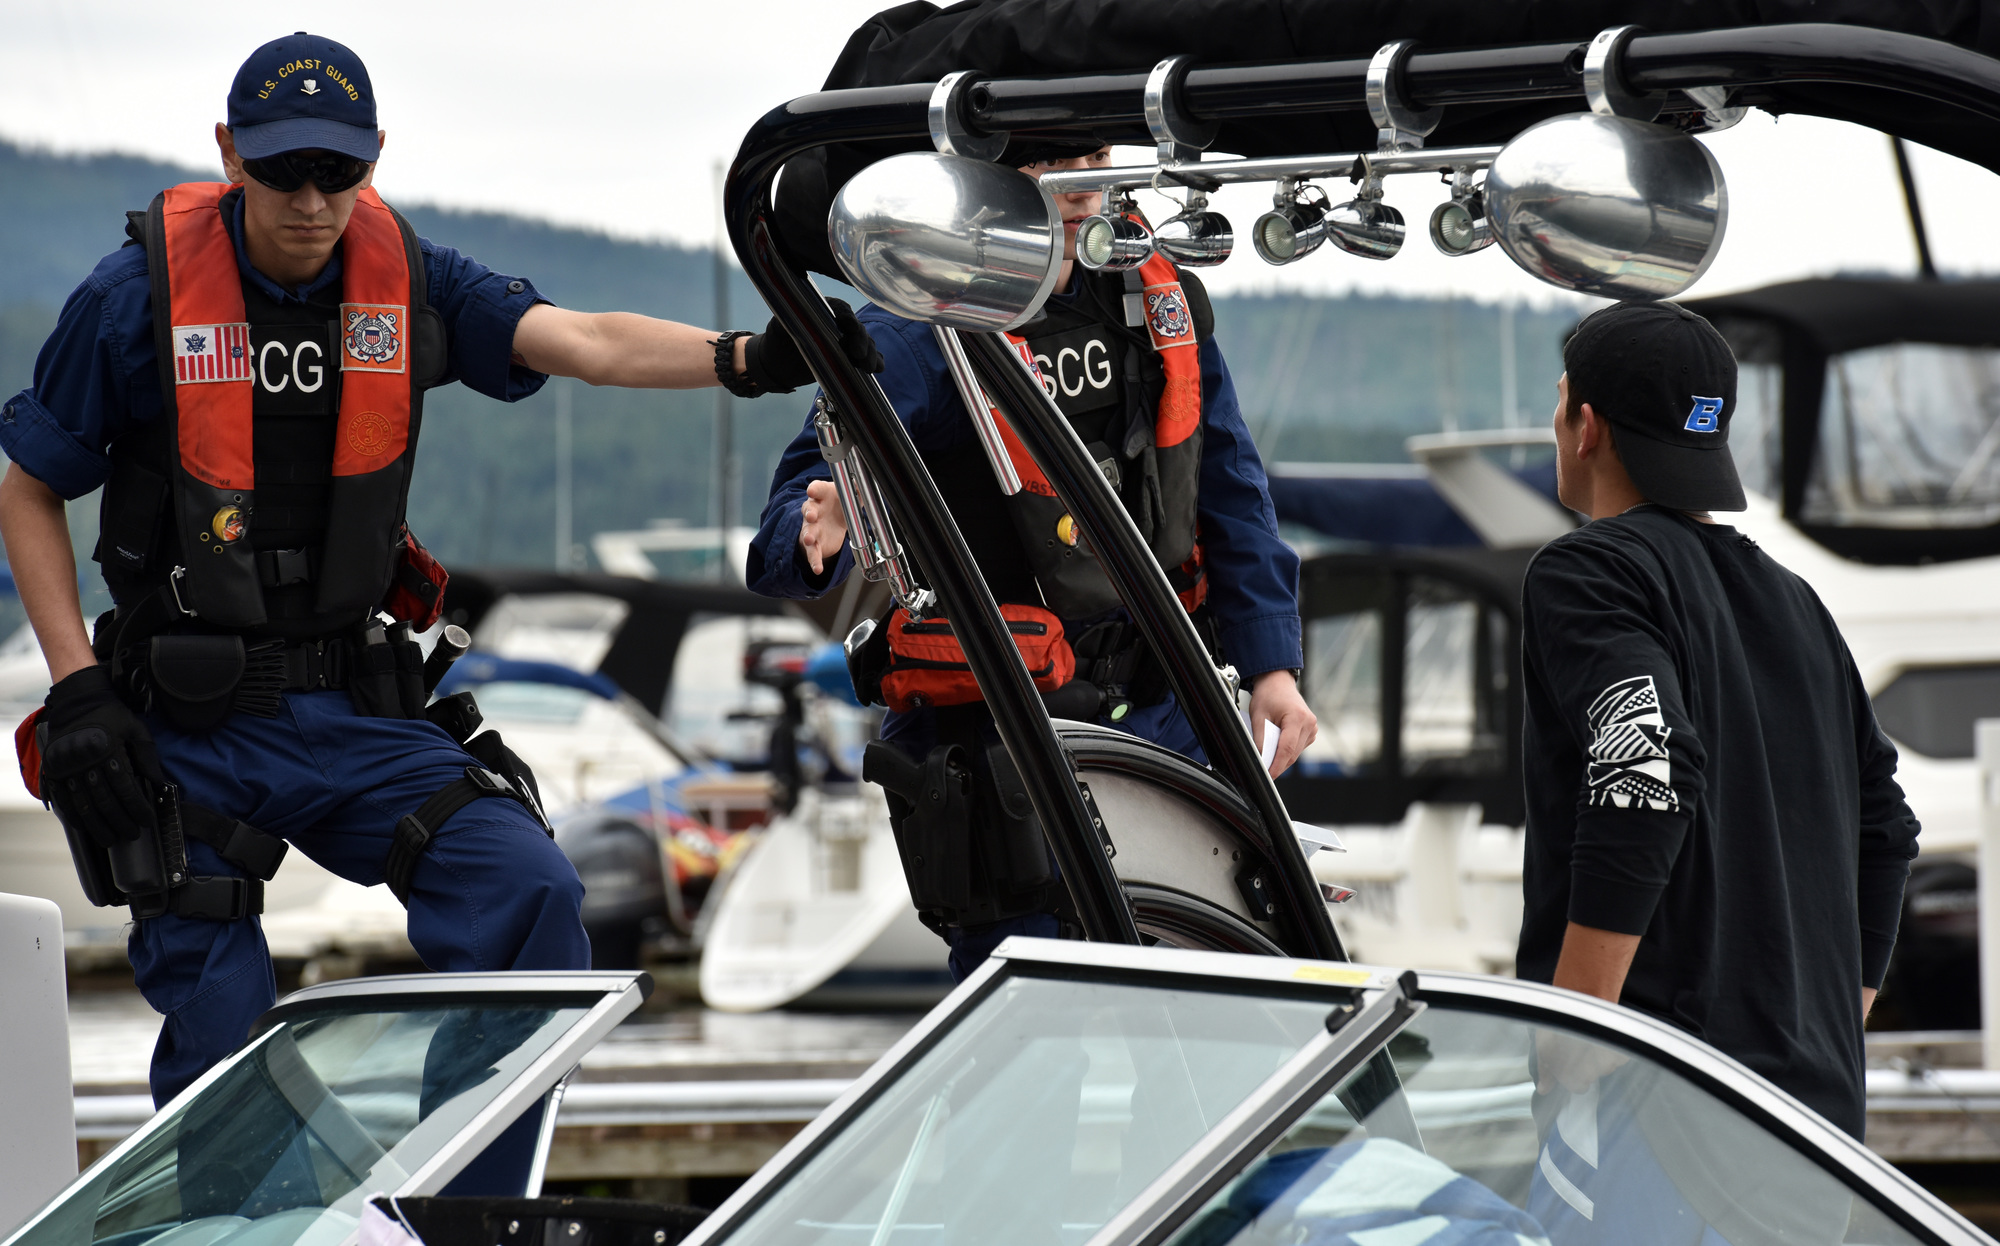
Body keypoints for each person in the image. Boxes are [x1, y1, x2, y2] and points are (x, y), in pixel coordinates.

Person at [0, 32, 878, 1108]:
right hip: (197, 724)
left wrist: (745, 358)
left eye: (339, 169)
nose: (311, 199)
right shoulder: (131, 298)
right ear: (230, 154)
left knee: (531, 895)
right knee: (220, 1035)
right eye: (282, 169)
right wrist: (80, 687)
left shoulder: (410, 279)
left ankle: (464, 1208)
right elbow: (27, 486)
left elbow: (589, 340)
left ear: (375, 157)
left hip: (360, 712)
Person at [746, 142, 1317, 978]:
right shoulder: (920, 322)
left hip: (1163, 713)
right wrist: (813, 528)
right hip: (1001, 735)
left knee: (1199, 1000)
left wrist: (1272, 664)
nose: (1082, 183)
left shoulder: (1153, 298)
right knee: (1035, 1016)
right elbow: (790, 523)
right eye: (1052, 160)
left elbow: (1228, 482)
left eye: (1094, 154)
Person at [1515, 300, 1921, 1139]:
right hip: (1815, 1126)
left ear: (1585, 425)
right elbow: (1886, 828)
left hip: (1659, 1110)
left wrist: (1578, 1031)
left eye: (1561, 403)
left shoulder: (1588, 572)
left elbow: (1645, 771)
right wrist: (1834, 1027)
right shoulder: (1796, 601)